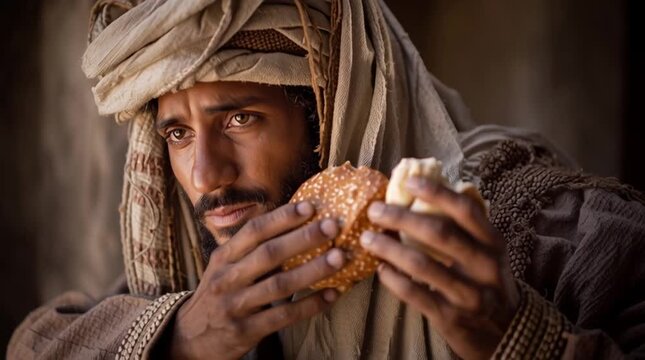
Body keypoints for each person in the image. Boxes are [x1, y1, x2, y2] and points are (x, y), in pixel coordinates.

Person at [8, 0, 645, 359]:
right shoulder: (215, 277)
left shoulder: (553, 235)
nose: (205, 175)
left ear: (334, 108)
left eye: (240, 117)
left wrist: (518, 337)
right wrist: (180, 339)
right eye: (177, 132)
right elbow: (33, 344)